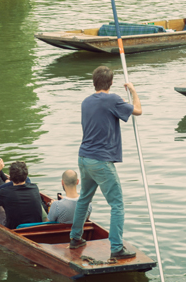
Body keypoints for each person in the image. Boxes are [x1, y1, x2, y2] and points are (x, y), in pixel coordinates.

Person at [68, 66, 142, 260]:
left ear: (94, 82)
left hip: (84, 157)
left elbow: (106, 112)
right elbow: (139, 111)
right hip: (100, 161)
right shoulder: (113, 100)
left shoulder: (86, 102)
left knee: (84, 198)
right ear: (110, 83)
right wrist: (133, 91)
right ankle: (116, 247)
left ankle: (75, 238)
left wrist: (121, 103)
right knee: (117, 204)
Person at [0, 161, 46, 229]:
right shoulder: (35, 188)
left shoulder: (5, 192)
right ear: (26, 175)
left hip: (14, 229)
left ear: (10, 178)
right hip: (36, 227)